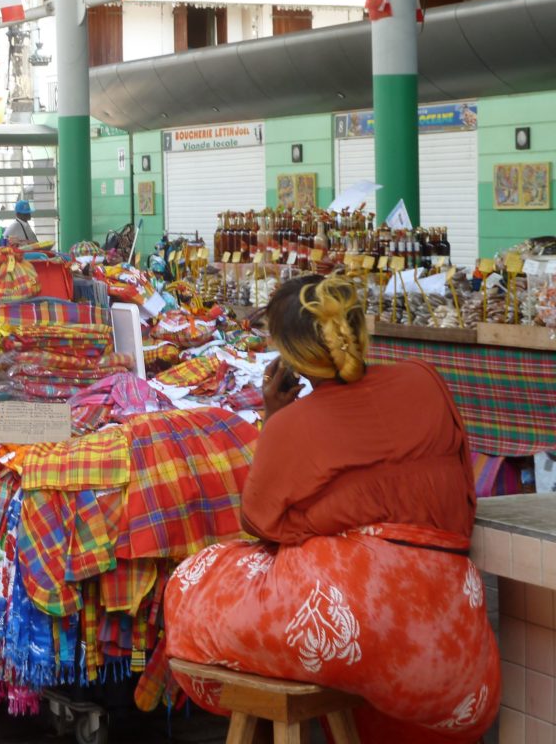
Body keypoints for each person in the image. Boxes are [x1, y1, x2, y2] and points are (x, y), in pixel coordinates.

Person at [163, 274, 499, 744]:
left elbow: (260, 524)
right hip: (450, 633)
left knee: (196, 579)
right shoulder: (426, 381)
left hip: (358, 629)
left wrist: (275, 418)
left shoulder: (294, 424)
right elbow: (461, 492)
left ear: (293, 359)